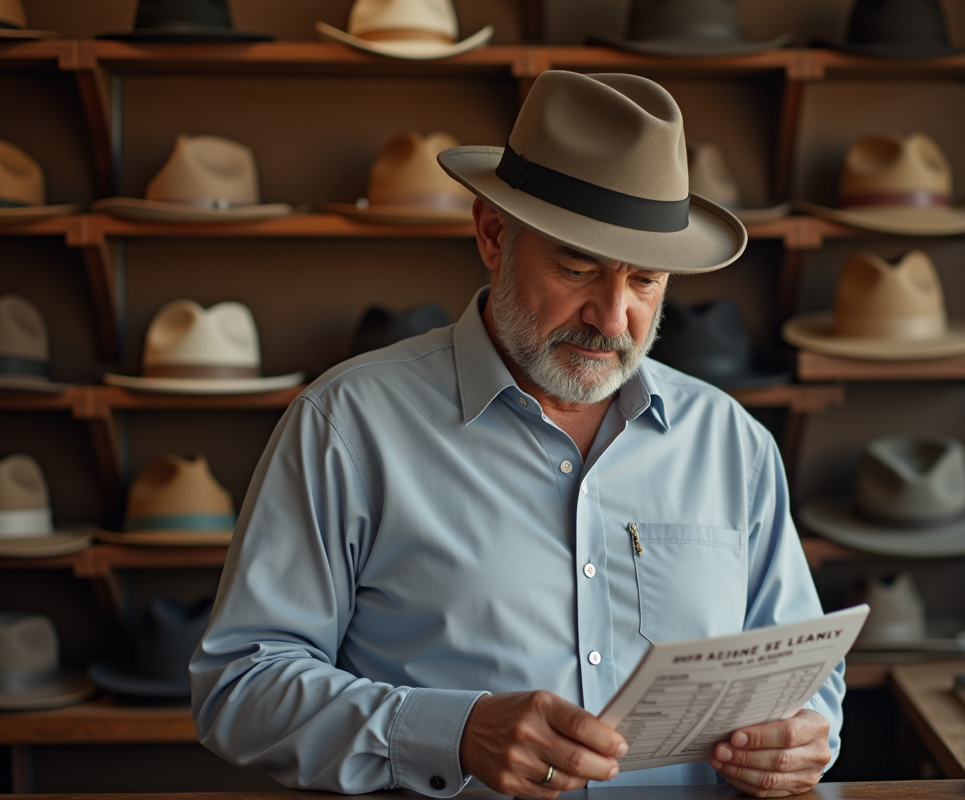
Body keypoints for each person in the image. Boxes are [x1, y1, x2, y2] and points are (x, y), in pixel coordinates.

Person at [190, 70, 844, 799]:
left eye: (646, 282)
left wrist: (802, 736)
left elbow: (805, 673)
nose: (613, 316)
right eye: (578, 267)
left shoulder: (731, 443)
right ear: (493, 234)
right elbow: (240, 688)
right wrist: (454, 733)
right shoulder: (347, 426)